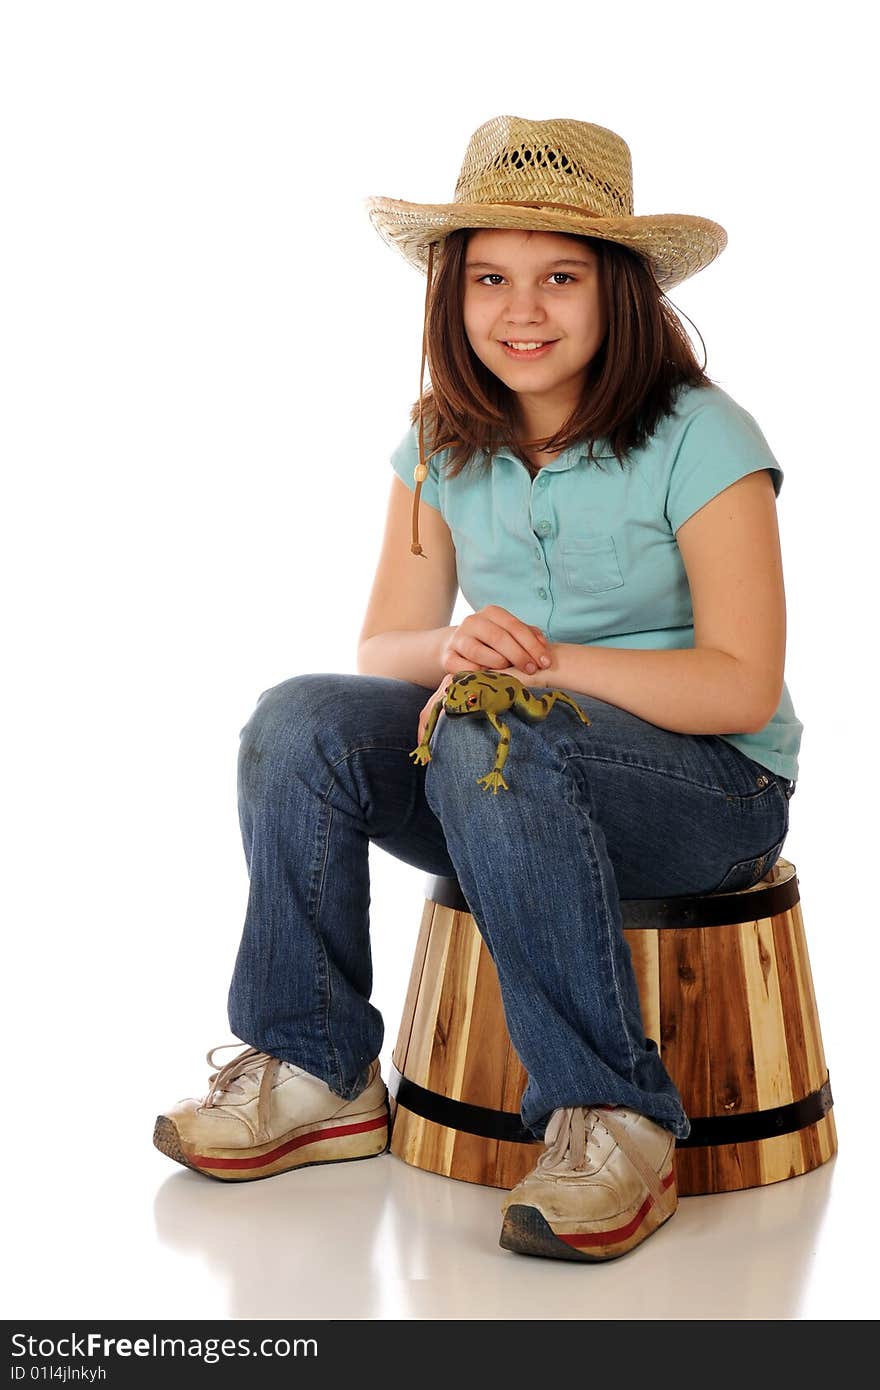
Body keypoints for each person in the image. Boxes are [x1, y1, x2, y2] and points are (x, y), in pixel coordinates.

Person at [153, 115, 801, 1262]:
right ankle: (316, 1064)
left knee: (502, 728)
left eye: (560, 278)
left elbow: (740, 685)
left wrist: (537, 667)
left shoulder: (704, 436)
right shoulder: (440, 440)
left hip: (707, 794)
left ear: (621, 295)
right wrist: (460, 651)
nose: (523, 311)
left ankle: (611, 1114)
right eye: (491, 279)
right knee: (301, 717)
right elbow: (386, 644)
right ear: (452, 297)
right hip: (502, 779)